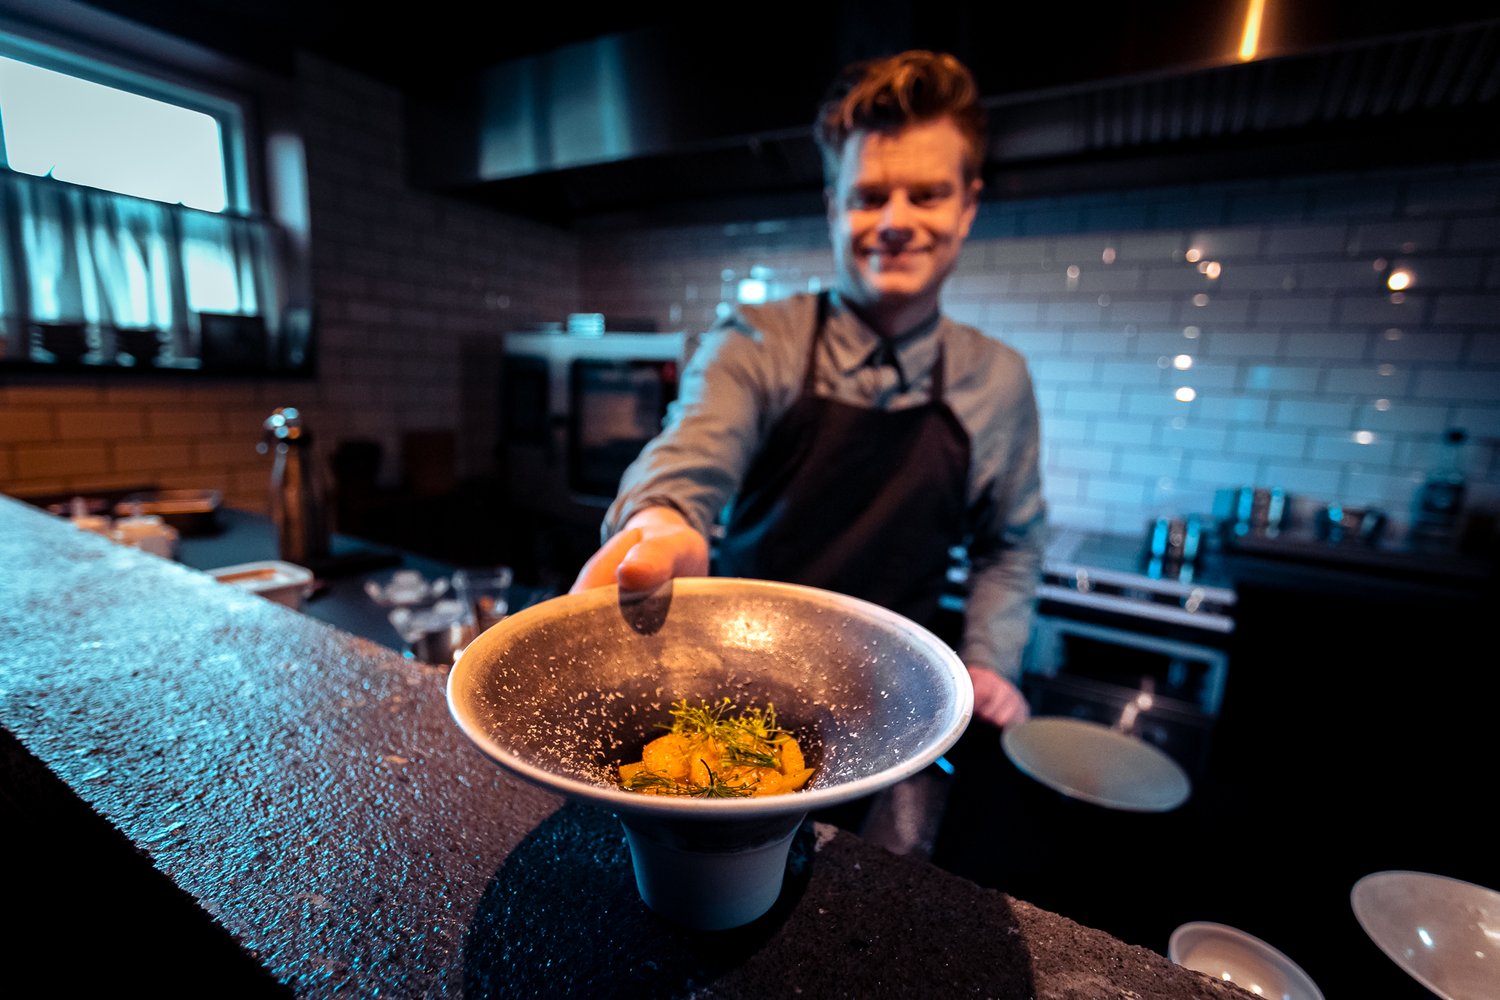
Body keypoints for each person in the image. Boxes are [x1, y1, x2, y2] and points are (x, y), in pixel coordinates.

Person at [571, 50, 1046, 730]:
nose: (895, 221)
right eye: (870, 196)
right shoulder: (758, 341)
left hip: (896, 707)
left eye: (928, 194)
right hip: (733, 691)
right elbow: (688, 458)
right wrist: (661, 522)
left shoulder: (998, 380)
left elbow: (1010, 545)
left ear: (968, 207)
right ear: (834, 209)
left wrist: (990, 659)